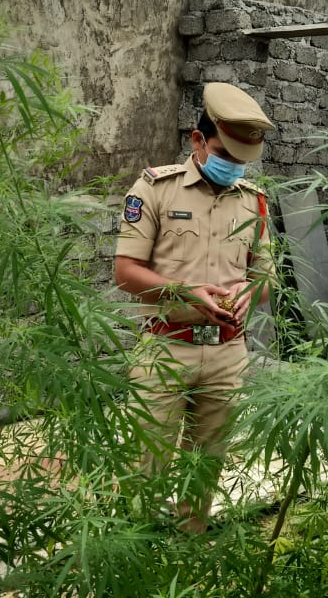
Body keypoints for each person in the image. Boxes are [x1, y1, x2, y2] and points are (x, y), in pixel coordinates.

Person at [114, 82, 275, 531]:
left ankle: (191, 542)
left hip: (227, 353)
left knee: (206, 464)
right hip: (165, 350)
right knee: (147, 462)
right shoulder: (155, 190)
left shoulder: (253, 201)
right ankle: (136, 548)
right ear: (198, 140)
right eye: (225, 155)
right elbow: (125, 272)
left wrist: (248, 294)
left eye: (241, 162)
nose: (233, 167)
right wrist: (186, 293)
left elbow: (267, 274)